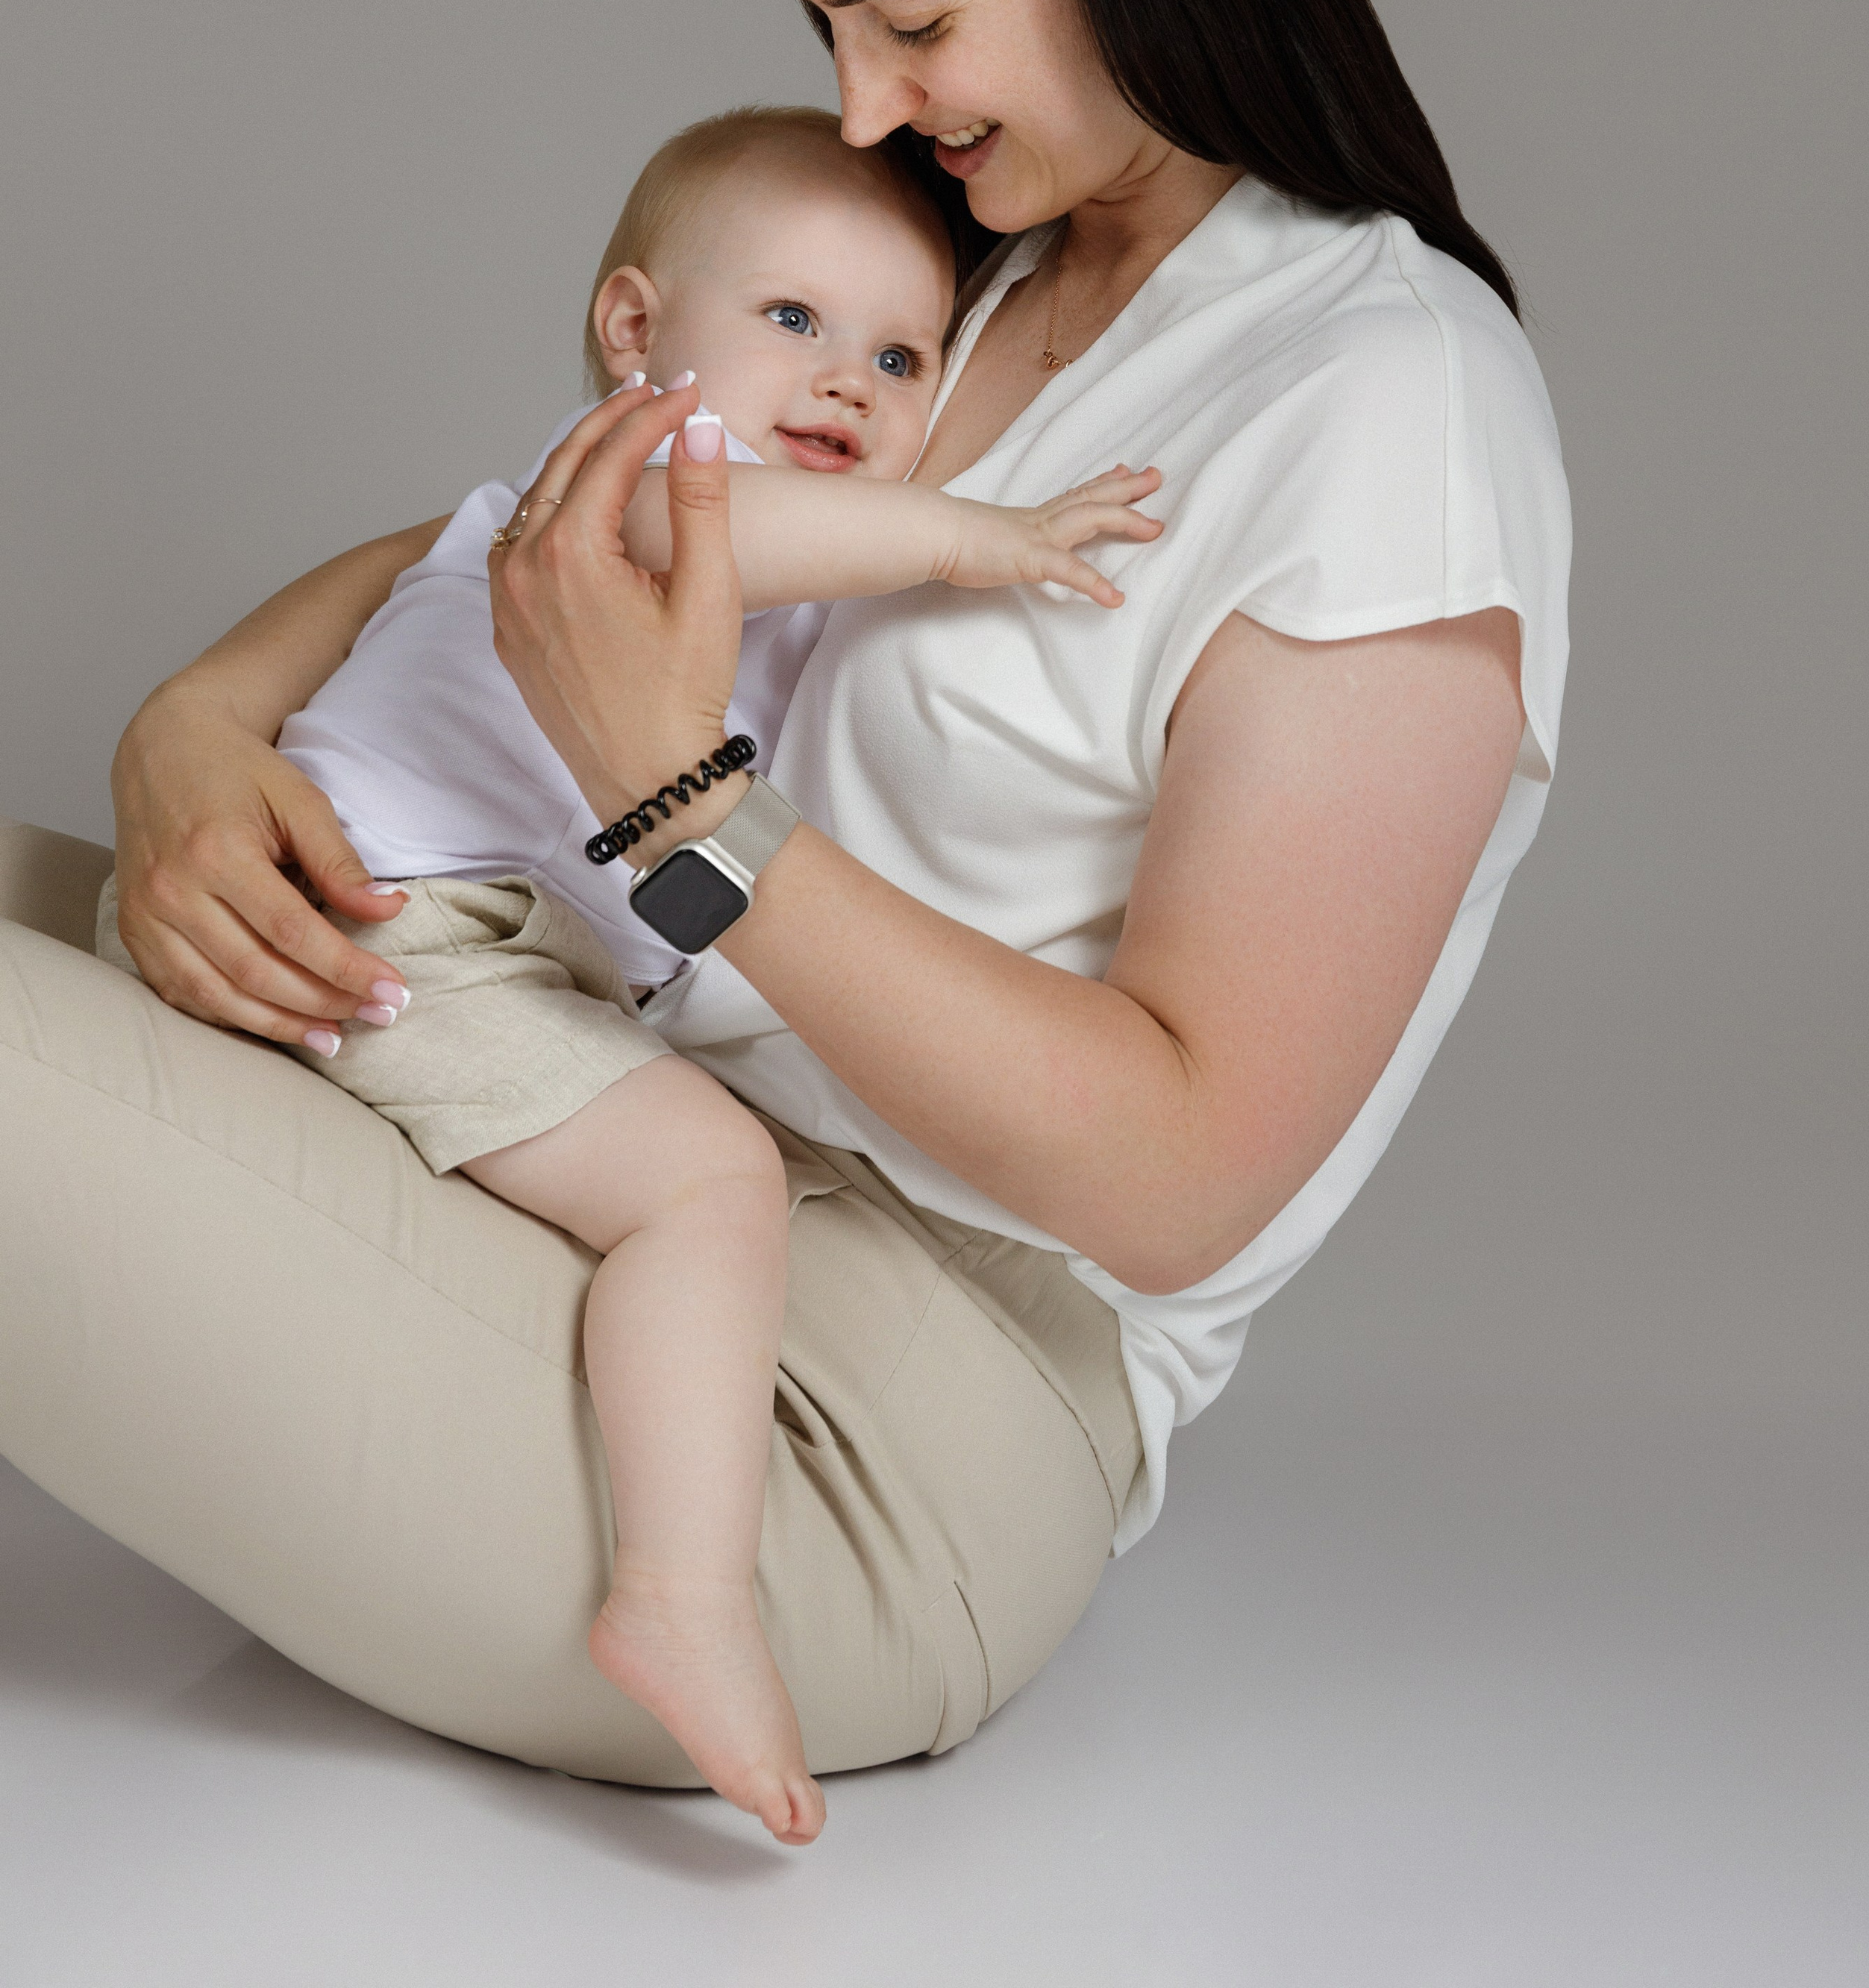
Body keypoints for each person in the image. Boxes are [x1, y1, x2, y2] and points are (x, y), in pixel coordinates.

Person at [73, 0, 1568, 1783]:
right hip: (609, 1141)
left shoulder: (1385, 402)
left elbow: (1181, 1174)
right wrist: (190, 725)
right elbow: (558, 535)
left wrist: (691, 805)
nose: (868, 107)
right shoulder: (970, 266)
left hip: (889, 1418)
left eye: (914, 17)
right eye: (823, 28)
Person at [96, 102, 1159, 1840]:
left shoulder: (629, 532)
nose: (846, 385)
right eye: (794, 323)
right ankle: (683, 1592)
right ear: (634, 334)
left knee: (623, 1180)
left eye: (899, 356)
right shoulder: (627, 498)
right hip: (395, 931)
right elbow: (730, 538)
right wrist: (987, 533)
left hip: (428, 930)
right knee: (708, 1187)